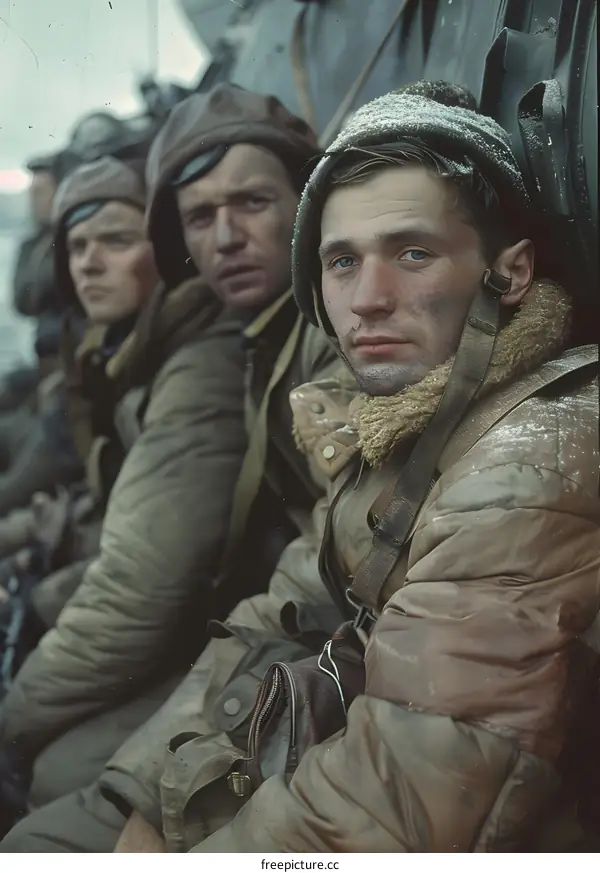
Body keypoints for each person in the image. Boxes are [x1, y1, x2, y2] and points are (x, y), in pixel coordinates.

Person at [167, 82, 596, 853]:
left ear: (513, 274)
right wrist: (143, 792)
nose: (367, 299)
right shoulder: (401, 421)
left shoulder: (528, 465)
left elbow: (401, 801)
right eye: (341, 262)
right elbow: (284, 605)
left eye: (413, 253)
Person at [0, 84, 353, 853]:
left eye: (254, 202)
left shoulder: (325, 339)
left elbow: (166, 578)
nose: (225, 236)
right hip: (282, 637)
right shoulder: (260, 336)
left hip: (321, 659)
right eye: (201, 217)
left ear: (305, 202)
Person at [0, 153, 248, 830]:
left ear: (167, 252)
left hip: (224, 628)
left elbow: (145, 586)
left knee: (54, 771)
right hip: (187, 614)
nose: (88, 263)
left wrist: (11, 719)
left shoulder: (199, 364)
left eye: (115, 239)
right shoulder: (133, 349)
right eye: (76, 246)